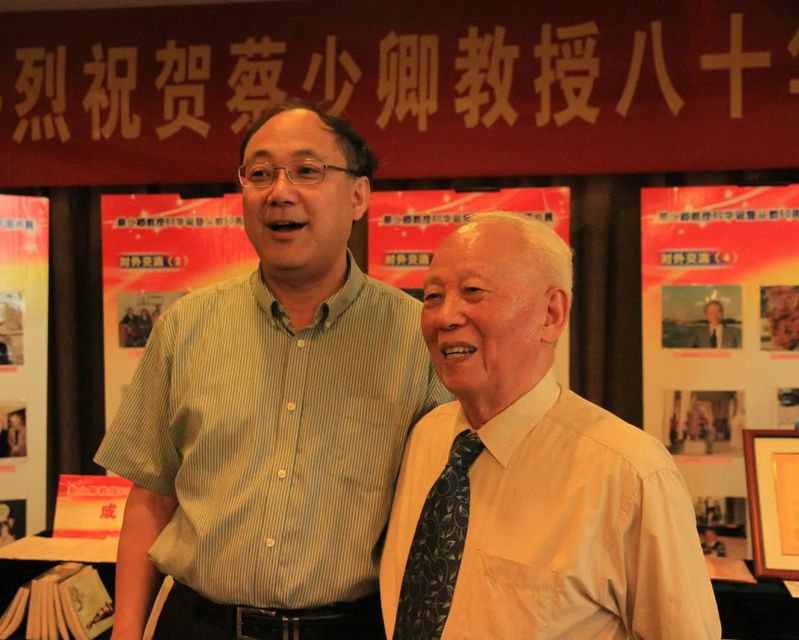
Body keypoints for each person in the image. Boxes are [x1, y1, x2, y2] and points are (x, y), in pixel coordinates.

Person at [95, 100, 450, 640]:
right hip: (200, 625)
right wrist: (126, 630)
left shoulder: (416, 336)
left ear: (358, 196)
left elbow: (443, 515)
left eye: (307, 170)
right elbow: (151, 497)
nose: (280, 192)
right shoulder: (186, 326)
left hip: (350, 628)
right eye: (260, 173)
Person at [380, 213, 721, 639]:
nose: (444, 317)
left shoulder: (629, 474)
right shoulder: (427, 438)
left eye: (473, 292)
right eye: (432, 296)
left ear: (551, 313)